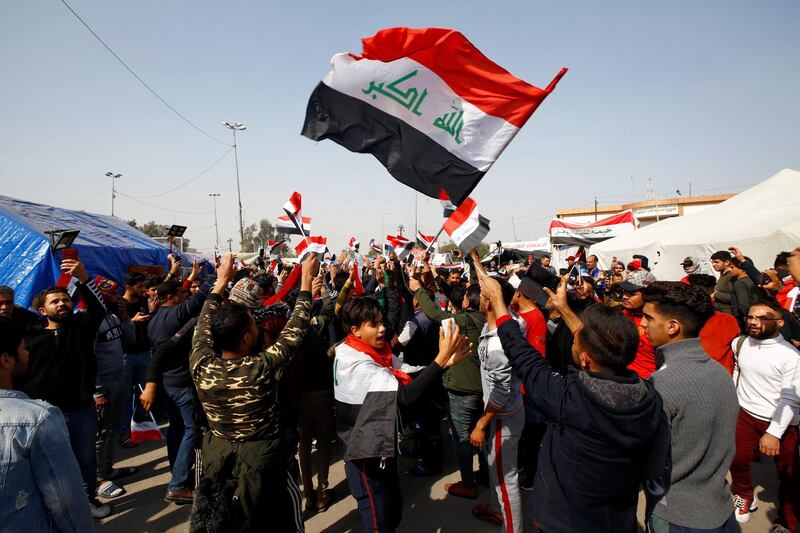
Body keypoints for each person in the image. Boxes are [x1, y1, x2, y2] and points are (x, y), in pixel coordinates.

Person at [477, 270, 670, 532]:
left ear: (585, 359)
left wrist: (499, 303)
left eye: (578, 342)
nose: (575, 340)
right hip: (617, 520)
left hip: (565, 522)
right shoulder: (650, 398)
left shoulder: (570, 399)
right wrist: (565, 309)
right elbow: (653, 468)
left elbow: (523, 356)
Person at [189, 254, 315, 532]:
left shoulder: (200, 364)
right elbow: (296, 329)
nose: (258, 325)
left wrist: (221, 282)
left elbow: (202, 324)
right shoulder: (261, 368)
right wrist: (306, 279)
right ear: (247, 337)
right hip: (263, 463)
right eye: (253, 324)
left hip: (217, 460)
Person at [334, 294, 470, 533]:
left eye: (381, 322)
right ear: (355, 330)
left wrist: (445, 363)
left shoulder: (368, 351)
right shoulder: (358, 363)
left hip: (379, 443)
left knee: (392, 511)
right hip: (365, 453)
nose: (382, 329)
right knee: (379, 522)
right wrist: (440, 359)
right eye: (373, 324)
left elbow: (404, 372)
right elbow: (405, 396)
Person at [642, 282, 739, 532]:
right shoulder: (720, 372)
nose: (643, 325)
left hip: (677, 516)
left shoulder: (663, 383)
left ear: (673, 326)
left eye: (648, 318)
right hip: (720, 509)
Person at [22, 257, 112, 518]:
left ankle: (87, 500)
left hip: (80, 408)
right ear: (42, 311)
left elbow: (99, 310)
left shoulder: (81, 327)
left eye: (65, 300)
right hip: (43, 414)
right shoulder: (30, 337)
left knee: (84, 458)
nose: (62, 304)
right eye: (55, 301)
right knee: (47, 461)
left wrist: (83, 278)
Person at [0, 316, 93, 532]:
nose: (28, 354)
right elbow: (64, 501)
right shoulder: (35, 420)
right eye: (23, 348)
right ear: (6, 359)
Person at [409, 275, 488, 499]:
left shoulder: (464, 320)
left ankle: (468, 483)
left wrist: (418, 289)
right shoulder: (485, 318)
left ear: (468, 301)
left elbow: (435, 315)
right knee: (478, 435)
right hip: (481, 389)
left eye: (463, 296)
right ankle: (483, 474)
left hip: (463, 390)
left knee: (462, 438)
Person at [729, 300, 800, 531]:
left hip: (782, 424)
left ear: (779, 323)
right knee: (737, 460)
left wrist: (773, 433)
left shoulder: (791, 356)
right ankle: (745, 496)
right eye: (750, 317)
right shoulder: (740, 343)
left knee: (788, 476)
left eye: (762, 318)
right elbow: (738, 370)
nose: (753, 322)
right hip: (745, 415)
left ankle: (787, 522)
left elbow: (791, 399)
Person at [147, 275, 213, 505]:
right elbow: (203, 295)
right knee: (191, 431)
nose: (188, 296)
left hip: (169, 383)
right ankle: (178, 484)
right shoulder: (174, 315)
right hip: (181, 383)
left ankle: (177, 470)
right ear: (173, 297)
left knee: (177, 428)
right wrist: (219, 273)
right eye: (183, 294)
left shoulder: (156, 318)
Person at [469, 278, 525, 532]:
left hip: (502, 416)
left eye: (482, 294)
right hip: (503, 412)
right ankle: (495, 508)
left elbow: (500, 392)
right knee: (495, 467)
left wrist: (481, 423)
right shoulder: (511, 323)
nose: (477, 298)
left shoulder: (497, 345)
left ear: (490, 302)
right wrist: (473, 258)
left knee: (505, 479)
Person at [120, 272, 152, 449]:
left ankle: (140, 427)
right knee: (125, 396)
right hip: (126, 356)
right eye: (140, 287)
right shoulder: (120, 305)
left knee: (143, 392)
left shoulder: (142, 302)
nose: (143, 290)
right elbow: (116, 327)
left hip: (144, 352)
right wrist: (132, 321)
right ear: (128, 287)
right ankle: (125, 431)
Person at [687, 274, 740, 374]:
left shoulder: (681, 320)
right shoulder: (728, 320)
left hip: (691, 375)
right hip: (721, 377)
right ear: (712, 293)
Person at [617, 269, 658, 378]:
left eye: (632, 294)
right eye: (624, 291)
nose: (625, 296)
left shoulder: (658, 321)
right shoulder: (620, 313)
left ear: (647, 295)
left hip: (648, 383)